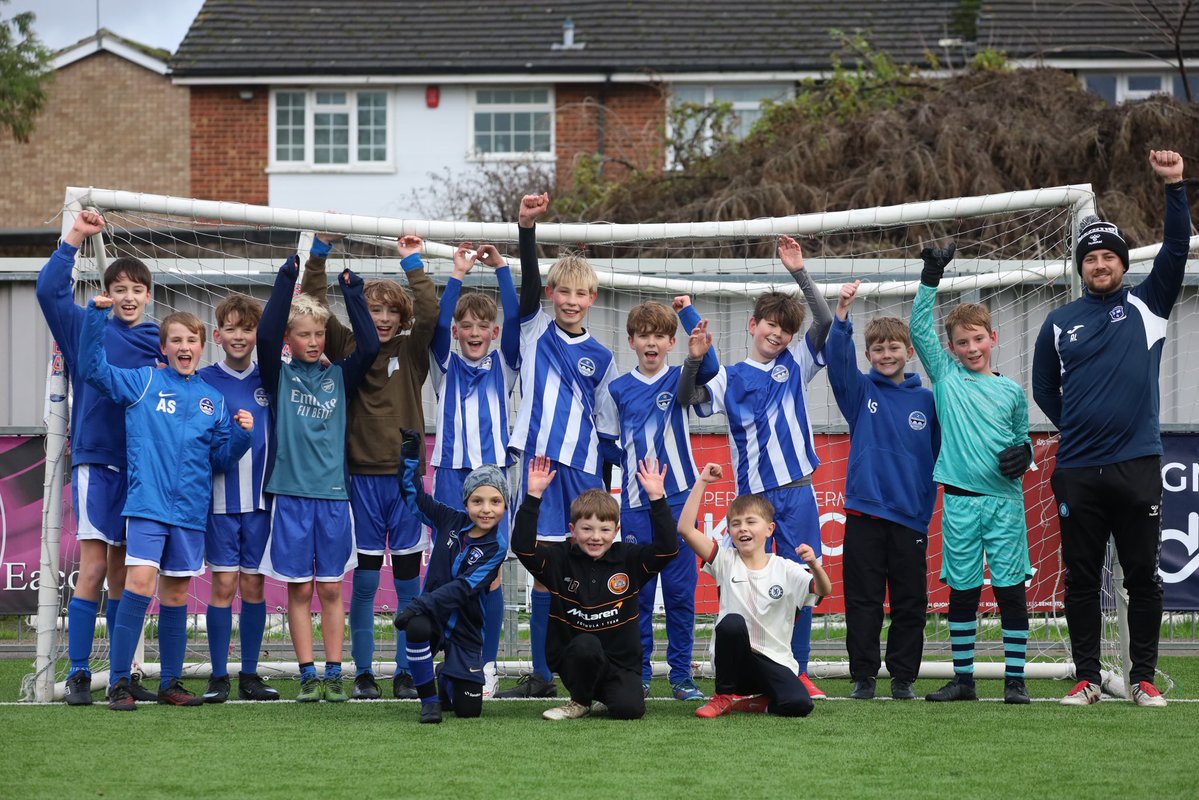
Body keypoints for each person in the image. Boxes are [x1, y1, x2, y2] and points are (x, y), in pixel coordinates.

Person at [1032, 150, 1190, 708]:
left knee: (1142, 576)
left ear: (1122, 264)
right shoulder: (1059, 323)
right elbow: (1044, 390)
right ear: (1081, 268)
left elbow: (1176, 248)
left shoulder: (1149, 305)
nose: (1100, 265)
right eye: (1091, 258)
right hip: (1078, 471)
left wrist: (1174, 186)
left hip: (1137, 465)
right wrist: (1080, 427)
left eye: (1108, 257)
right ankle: (1086, 678)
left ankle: (1143, 679)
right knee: (1080, 579)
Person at [80, 299, 254, 710]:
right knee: (139, 584)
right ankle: (119, 682)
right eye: (176, 340)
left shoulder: (213, 400)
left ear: (201, 347)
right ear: (164, 348)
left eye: (191, 340)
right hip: (148, 505)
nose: (184, 346)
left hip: (191, 512)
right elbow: (93, 369)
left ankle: (170, 683)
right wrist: (95, 317)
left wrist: (242, 437)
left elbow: (219, 460)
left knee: (176, 595)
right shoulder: (144, 381)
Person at [684, 234, 833, 699]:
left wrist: (798, 272)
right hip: (754, 501)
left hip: (799, 490)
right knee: (742, 586)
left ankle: (798, 669)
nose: (778, 334)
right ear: (753, 325)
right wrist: (693, 358)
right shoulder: (728, 377)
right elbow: (690, 398)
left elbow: (825, 319)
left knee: (802, 580)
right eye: (771, 324)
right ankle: (739, 674)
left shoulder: (798, 361)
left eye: (785, 329)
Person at [300, 230, 437, 700]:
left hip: (405, 481)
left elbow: (431, 312)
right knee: (364, 581)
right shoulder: (347, 345)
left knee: (408, 583)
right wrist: (320, 252)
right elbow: (315, 304)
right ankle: (362, 672)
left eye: (390, 311)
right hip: (359, 478)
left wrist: (412, 262)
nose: (381, 317)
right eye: (374, 309)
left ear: (402, 317)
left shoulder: (411, 351)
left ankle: (407, 670)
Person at [35, 210, 163, 705]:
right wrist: (74, 237)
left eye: (137, 289)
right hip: (98, 461)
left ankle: (124, 673)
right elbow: (49, 290)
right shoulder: (84, 325)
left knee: (125, 571)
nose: (128, 296)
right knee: (92, 568)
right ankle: (79, 673)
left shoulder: (158, 340)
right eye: (120, 288)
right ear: (107, 292)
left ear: (149, 296)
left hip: (143, 468)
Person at [496, 193, 619, 699]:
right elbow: (526, 286)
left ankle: (592, 668)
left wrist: (604, 485)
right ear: (551, 294)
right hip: (541, 466)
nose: (570, 300)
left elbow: (607, 428)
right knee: (544, 572)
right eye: (563, 291)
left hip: (583, 470)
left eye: (580, 293)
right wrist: (526, 230)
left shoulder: (603, 356)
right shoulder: (533, 331)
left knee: (588, 568)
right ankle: (543, 674)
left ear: (592, 298)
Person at [911, 243, 1033, 705]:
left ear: (992, 338)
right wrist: (931, 276)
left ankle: (1015, 681)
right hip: (960, 502)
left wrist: (1025, 453)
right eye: (962, 342)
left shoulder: (1012, 392)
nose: (971, 348)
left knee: (1009, 591)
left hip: (1005, 503)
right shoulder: (946, 376)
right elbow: (919, 328)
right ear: (952, 348)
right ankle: (964, 680)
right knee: (963, 592)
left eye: (977, 339)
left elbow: (1022, 438)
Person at [257, 255, 380, 702]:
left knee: (330, 588)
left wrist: (353, 293)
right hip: (290, 495)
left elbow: (369, 346)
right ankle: (307, 674)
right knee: (299, 588)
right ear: (289, 339)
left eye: (319, 334)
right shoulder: (279, 376)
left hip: (333, 496)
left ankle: (333, 673)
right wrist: (285, 279)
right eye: (304, 334)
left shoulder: (339, 376)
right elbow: (265, 335)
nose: (313, 341)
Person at [597, 297, 718, 701]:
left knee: (681, 593)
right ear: (631, 341)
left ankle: (681, 675)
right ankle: (641, 671)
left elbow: (711, 369)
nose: (651, 342)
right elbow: (607, 443)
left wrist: (688, 319)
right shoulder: (617, 389)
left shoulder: (683, 377)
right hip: (635, 505)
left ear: (671, 342)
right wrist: (629, 465)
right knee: (640, 595)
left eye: (660, 336)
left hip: (681, 502)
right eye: (643, 335)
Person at [825, 280, 939, 700]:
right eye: (877, 349)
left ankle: (904, 678)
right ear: (868, 355)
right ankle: (864, 676)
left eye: (894, 348)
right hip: (865, 516)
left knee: (910, 602)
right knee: (863, 601)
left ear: (909, 352)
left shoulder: (929, 401)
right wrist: (841, 315)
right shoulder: (860, 392)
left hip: (910, 518)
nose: (886, 355)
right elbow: (838, 362)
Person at [512, 456, 677, 720]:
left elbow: (668, 549)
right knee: (587, 645)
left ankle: (603, 697)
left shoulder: (629, 559)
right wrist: (533, 497)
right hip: (575, 658)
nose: (596, 537)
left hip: (619, 663)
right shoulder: (559, 560)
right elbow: (522, 547)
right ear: (573, 529)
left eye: (604, 529)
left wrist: (657, 499)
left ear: (616, 530)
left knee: (630, 710)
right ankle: (579, 701)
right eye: (587, 529)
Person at [428, 241, 520, 698]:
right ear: (457, 332)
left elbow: (518, 320)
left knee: (491, 572)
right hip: (449, 474)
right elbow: (438, 322)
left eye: (483, 326)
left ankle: (485, 664)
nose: (474, 332)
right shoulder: (444, 363)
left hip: (493, 477)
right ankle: (452, 658)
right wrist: (458, 274)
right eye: (466, 326)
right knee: (449, 570)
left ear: (494, 331)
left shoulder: (505, 364)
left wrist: (502, 268)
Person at [677, 464, 832, 718]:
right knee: (731, 623)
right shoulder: (725, 560)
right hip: (734, 667)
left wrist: (815, 565)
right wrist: (702, 481)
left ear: (770, 529)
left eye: (751, 522)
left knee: (800, 704)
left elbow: (824, 589)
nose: (743, 528)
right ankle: (723, 697)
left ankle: (754, 703)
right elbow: (685, 529)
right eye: (735, 524)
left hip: (774, 662)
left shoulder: (787, 569)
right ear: (729, 531)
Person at [393, 431, 508, 723]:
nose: (486, 509)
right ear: (466, 503)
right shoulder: (448, 519)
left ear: (505, 506)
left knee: (468, 711)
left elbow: (463, 588)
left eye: (495, 501)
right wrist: (410, 456)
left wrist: (417, 604)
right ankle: (429, 701)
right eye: (477, 501)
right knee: (417, 627)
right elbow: (414, 497)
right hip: (433, 618)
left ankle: (446, 676)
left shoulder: (497, 547)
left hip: (466, 627)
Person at [198, 293, 279, 702]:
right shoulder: (203, 380)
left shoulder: (272, 379)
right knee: (223, 584)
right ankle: (218, 675)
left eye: (247, 329)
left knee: (253, 586)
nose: (239, 336)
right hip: (220, 501)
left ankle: (249, 673)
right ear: (217, 335)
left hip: (261, 502)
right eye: (230, 329)